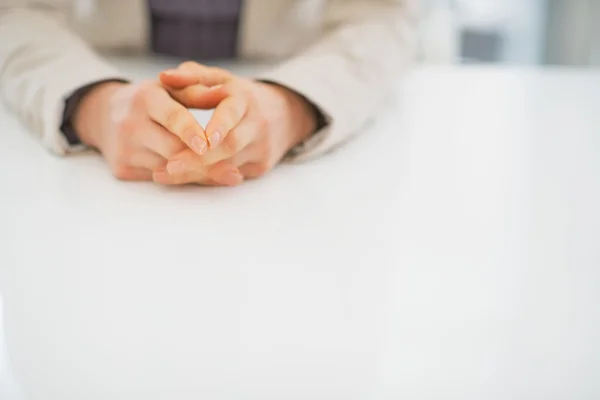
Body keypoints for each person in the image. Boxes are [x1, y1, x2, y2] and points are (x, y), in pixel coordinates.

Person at [0, 0, 417, 186]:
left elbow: (383, 15)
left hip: (298, 61)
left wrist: (293, 104)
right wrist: (92, 104)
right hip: (98, 58)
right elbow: (13, 12)